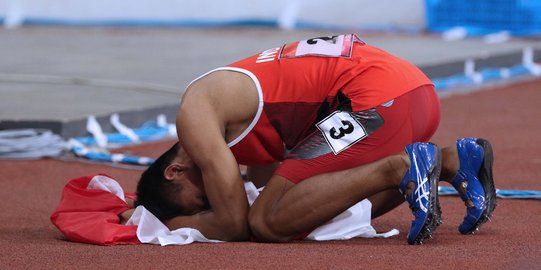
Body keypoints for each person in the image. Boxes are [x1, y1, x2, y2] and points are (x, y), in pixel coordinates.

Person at [134, 34, 497, 245]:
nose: (209, 202)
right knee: (301, 214)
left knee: (266, 223)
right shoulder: (234, 120)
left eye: (201, 201)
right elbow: (273, 191)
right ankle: (453, 160)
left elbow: (234, 224)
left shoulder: (194, 115)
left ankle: (401, 166)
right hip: (412, 94)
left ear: (175, 172)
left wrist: (156, 225)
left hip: (379, 102)